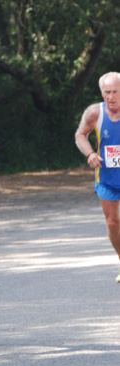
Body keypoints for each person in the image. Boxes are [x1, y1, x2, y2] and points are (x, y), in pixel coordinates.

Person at [75, 71, 120, 282]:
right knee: (112, 222)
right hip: (107, 177)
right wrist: (90, 153)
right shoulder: (95, 113)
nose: (110, 97)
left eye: (115, 92)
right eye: (106, 92)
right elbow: (80, 135)